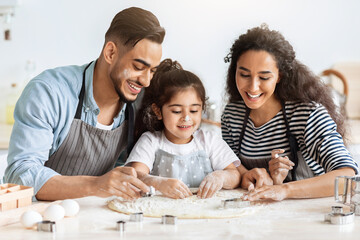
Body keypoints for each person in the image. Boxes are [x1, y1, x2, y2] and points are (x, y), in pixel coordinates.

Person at [4, 7, 165, 201]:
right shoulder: (49, 92)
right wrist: (96, 185)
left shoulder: (139, 101)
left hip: (95, 217)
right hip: (39, 218)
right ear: (110, 53)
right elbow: (21, 175)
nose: (146, 81)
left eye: (152, 71)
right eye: (138, 67)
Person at [221, 25, 359, 201]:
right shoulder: (232, 115)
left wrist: (285, 190)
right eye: (244, 75)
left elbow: (348, 177)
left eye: (264, 77)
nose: (253, 87)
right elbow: (230, 166)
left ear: (280, 76)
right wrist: (247, 176)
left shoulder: (308, 115)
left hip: (305, 217)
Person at [125, 59, 241, 199]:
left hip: (202, 214)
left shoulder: (209, 140)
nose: (186, 118)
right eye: (176, 111)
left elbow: (235, 175)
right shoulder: (150, 141)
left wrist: (221, 177)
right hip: (162, 214)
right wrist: (158, 183)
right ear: (158, 111)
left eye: (193, 111)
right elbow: (136, 176)